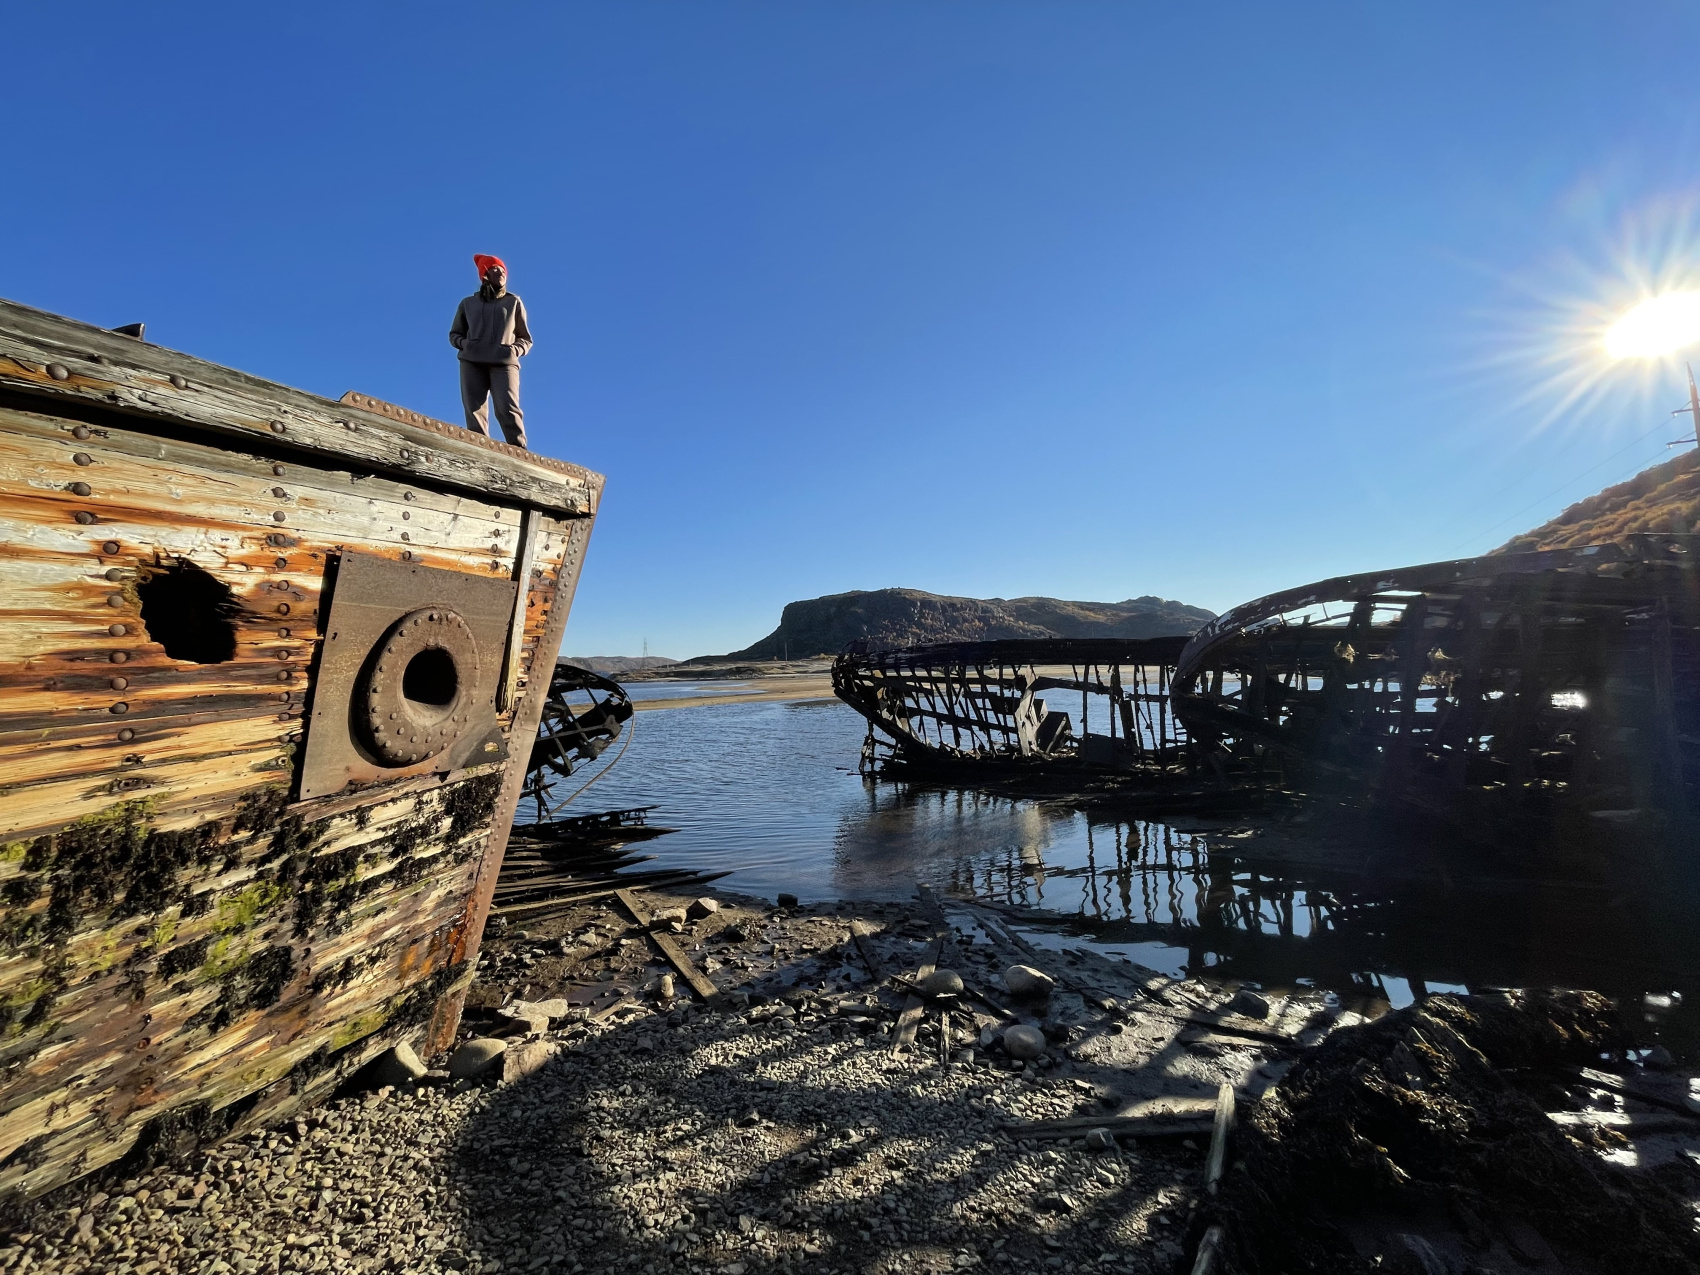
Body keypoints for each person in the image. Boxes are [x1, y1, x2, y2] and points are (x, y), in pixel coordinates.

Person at [449, 254, 532, 447]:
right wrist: (465, 344)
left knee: (507, 408)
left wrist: (514, 350)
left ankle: (520, 452)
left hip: (504, 362)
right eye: (495, 268)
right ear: (485, 274)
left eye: (503, 270)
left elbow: (526, 338)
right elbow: (454, 334)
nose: (501, 272)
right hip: (472, 361)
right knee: (474, 409)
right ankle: (480, 451)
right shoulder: (468, 303)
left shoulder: (513, 302)